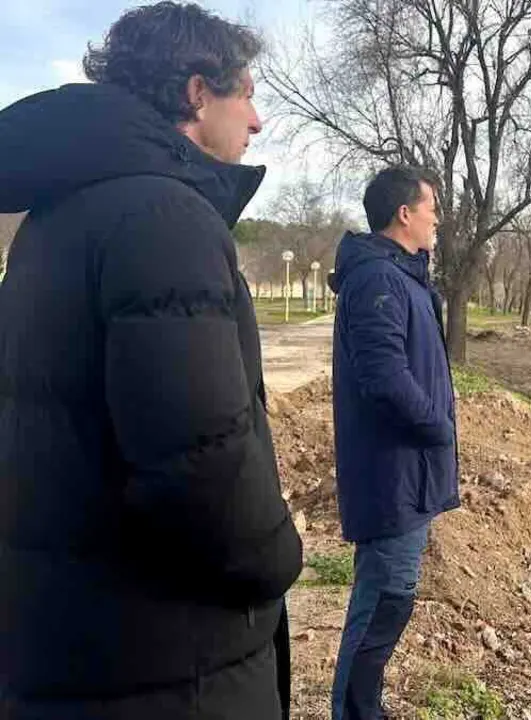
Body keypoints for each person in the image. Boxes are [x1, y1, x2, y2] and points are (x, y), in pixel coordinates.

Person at [0, 3, 302, 718]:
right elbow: (200, 467)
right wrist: (277, 559)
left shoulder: (54, 220)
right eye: (248, 94)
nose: (256, 122)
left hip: (74, 646)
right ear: (198, 94)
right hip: (168, 666)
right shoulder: (163, 217)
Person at [328, 166, 460, 720]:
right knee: (382, 603)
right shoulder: (378, 281)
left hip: (411, 473)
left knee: (391, 598)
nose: (437, 218)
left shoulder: (403, 277)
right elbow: (384, 380)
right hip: (391, 476)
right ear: (404, 213)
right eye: (431, 206)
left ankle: (364, 708)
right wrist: (438, 427)